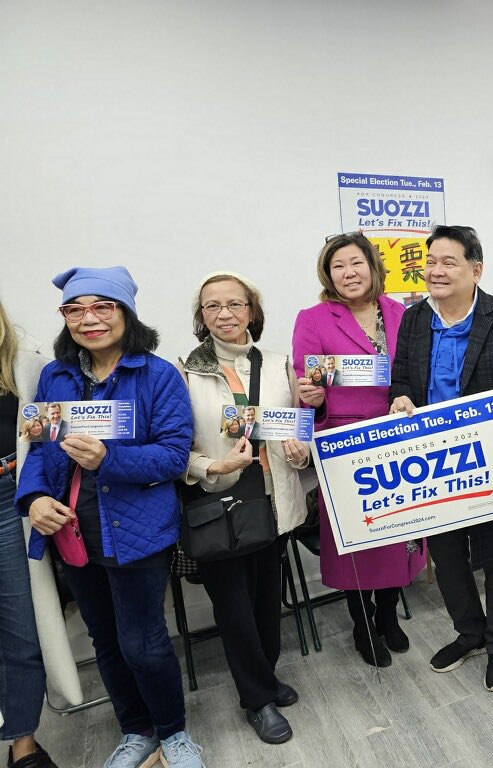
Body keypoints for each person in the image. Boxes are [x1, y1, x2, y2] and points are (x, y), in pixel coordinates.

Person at [15, 267, 205, 767]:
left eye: (103, 307)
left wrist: (109, 459)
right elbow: (36, 449)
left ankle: (174, 734)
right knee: (105, 642)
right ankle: (137, 730)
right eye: (75, 309)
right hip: (74, 531)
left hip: (137, 530)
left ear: (126, 313)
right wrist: (32, 498)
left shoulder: (157, 375)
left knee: (142, 642)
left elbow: (173, 456)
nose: (89, 319)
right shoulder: (55, 376)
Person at [390, 225, 493, 692]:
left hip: (491, 463)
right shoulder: (415, 320)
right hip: (434, 466)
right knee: (447, 557)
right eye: (431, 261)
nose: (436, 271)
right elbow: (401, 380)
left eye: (449, 262)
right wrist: (400, 399)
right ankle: (470, 633)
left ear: (475, 269)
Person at [180, 272, 311, 744]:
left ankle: (267, 677)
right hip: (221, 506)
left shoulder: (279, 364)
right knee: (234, 609)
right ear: (201, 316)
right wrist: (213, 465)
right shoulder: (183, 372)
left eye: (234, 305)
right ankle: (257, 700)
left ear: (252, 311)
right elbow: (175, 450)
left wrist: (301, 449)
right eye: (212, 307)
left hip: (274, 501)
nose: (224, 315)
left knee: (264, 601)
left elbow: (299, 426)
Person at [292, 233, 426, 668]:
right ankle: (362, 622)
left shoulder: (401, 312)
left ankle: (388, 615)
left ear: (373, 266)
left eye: (356, 263)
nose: (349, 273)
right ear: (327, 274)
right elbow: (304, 383)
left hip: (399, 438)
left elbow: (415, 374)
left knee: (397, 534)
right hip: (346, 444)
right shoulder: (313, 318)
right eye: (338, 266)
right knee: (357, 539)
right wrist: (309, 396)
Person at [1, 300, 57, 768]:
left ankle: (23, 743)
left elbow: (46, 434)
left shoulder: (26, 360)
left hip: (8, 497)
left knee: (19, 629)